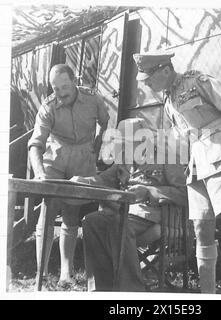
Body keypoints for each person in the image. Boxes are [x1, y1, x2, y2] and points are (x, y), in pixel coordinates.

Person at [133, 52, 221, 297]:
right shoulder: (168, 101)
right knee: (202, 231)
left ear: (164, 70)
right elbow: (181, 140)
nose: (146, 83)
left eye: (148, 77)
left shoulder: (198, 81)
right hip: (198, 166)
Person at [70, 118, 187, 291]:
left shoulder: (167, 157)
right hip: (126, 213)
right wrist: (83, 181)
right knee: (91, 221)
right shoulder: (125, 158)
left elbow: (184, 193)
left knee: (118, 224)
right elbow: (103, 179)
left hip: (156, 215)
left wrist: (150, 192)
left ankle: (131, 289)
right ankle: (100, 288)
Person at [28, 64, 110, 286]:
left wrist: (96, 145)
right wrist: (39, 173)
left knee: (72, 214)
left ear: (75, 80)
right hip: (55, 157)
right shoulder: (48, 106)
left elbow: (105, 122)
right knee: (48, 211)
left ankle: (66, 273)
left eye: (65, 86)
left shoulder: (93, 99)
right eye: (55, 88)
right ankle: (41, 275)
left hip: (83, 157)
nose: (61, 92)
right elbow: (35, 144)